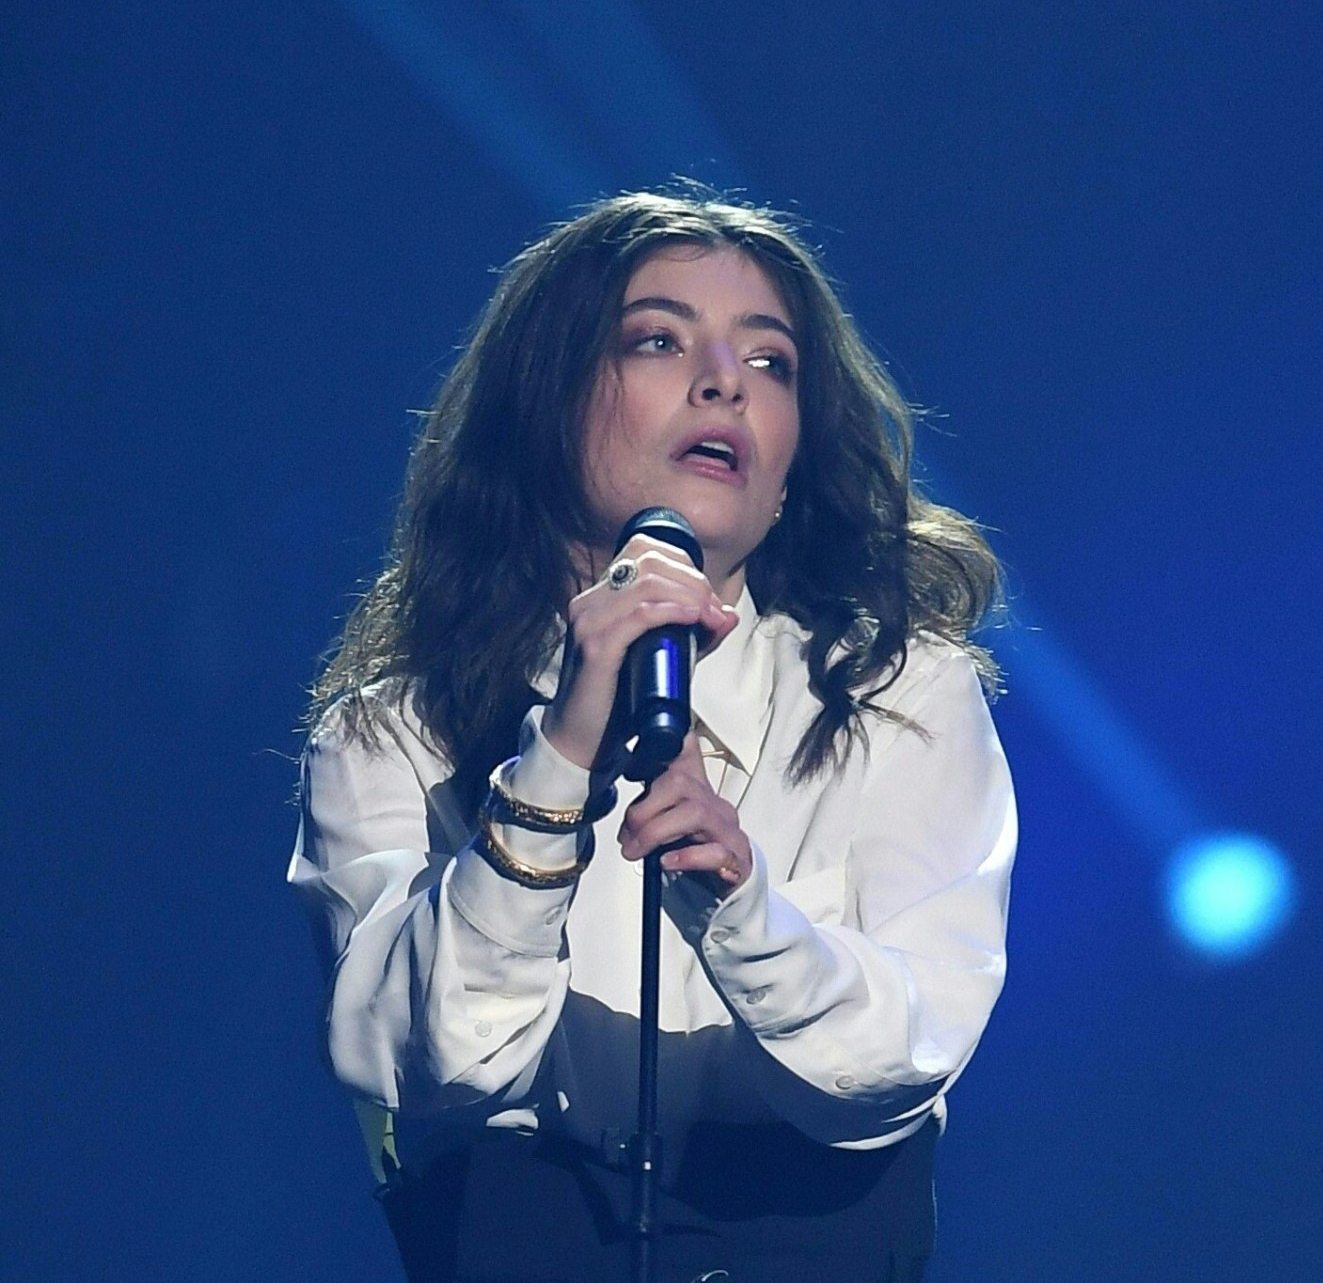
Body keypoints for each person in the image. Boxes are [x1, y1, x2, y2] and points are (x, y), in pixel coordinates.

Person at [290, 189, 1014, 1283]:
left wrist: (746, 914)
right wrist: (559, 759)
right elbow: (423, 1060)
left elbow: (905, 1054)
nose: (724, 381)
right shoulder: (393, 733)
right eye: (659, 340)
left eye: (769, 362)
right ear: (546, 400)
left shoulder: (903, 697)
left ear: (788, 464)